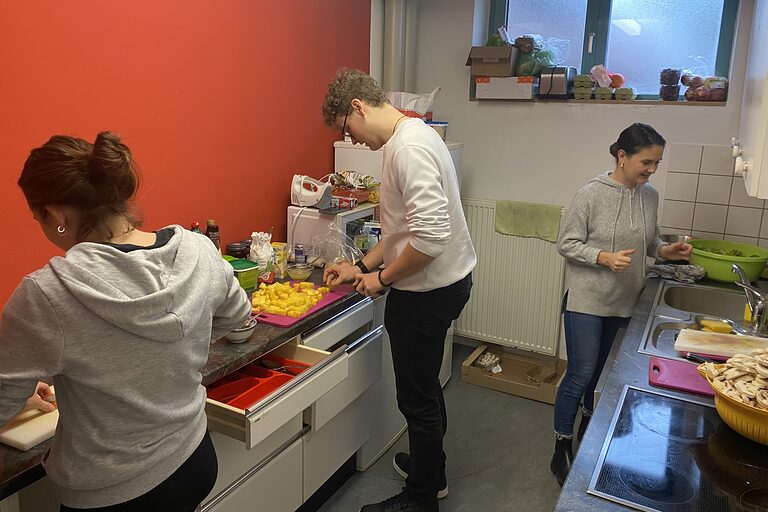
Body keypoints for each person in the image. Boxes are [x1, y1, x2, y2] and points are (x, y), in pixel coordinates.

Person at [0, 132, 252, 511]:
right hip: (194, 460)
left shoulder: (47, 294)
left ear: (54, 215)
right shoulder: (198, 249)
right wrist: (166, 354)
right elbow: (238, 317)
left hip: (113, 493)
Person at [321, 69, 476, 512]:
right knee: (425, 387)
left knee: (416, 396)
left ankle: (421, 498)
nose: (351, 139)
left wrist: (383, 279)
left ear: (358, 107)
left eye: (347, 129)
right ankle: (433, 469)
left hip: (427, 291)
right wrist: (360, 266)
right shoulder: (409, 137)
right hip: (443, 282)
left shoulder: (407, 148)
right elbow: (402, 229)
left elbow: (429, 240)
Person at [550, 123, 692, 486]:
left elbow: (649, 240)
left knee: (599, 372)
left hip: (624, 299)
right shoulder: (590, 195)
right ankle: (561, 444)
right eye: (646, 162)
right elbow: (566, 243)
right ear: (622, 156)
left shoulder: (649, 196)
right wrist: (602, 257)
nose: (651, 170)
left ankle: (587, 420)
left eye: (657, 163)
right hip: (587, 298)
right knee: (580, 372)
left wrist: (664, 250)